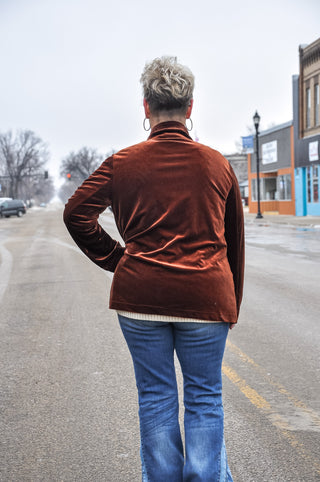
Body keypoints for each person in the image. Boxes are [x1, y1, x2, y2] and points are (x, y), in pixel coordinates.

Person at [64, 56, 244, 482]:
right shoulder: (217, 163)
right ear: (190, 108)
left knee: (156, 398)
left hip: (141, 299)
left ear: (146, 108)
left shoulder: (121, 163)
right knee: (204, 398)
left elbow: (76, 214)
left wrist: (118, 259)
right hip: (206, 299)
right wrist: (231, 302)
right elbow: (233, 239)